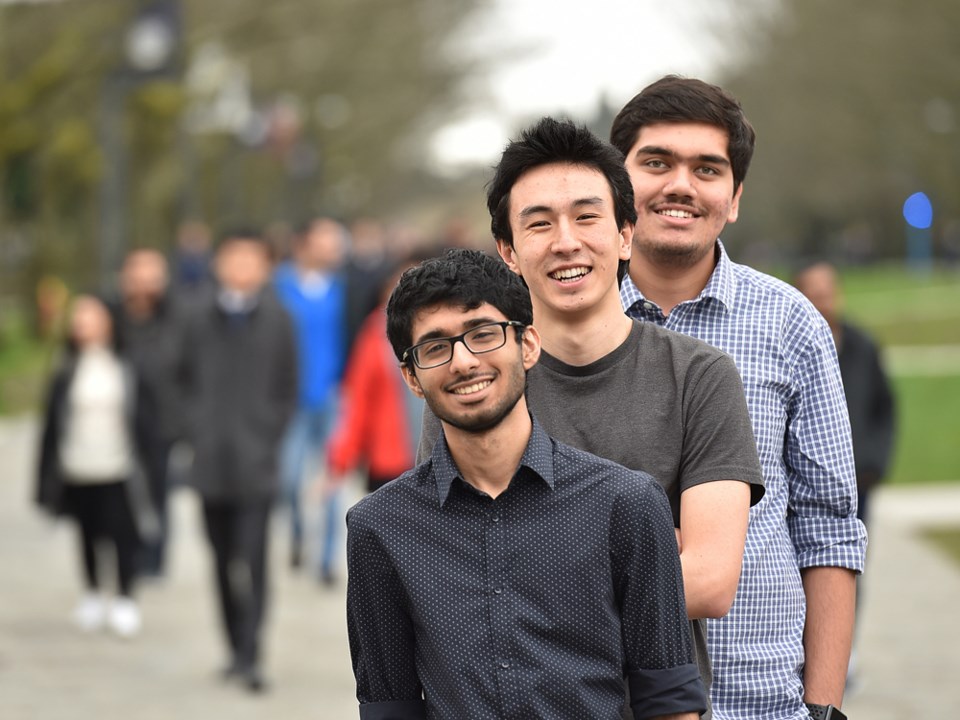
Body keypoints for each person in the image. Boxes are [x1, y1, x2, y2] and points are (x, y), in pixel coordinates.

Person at [420, 117, 764, 718]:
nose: (565, 242)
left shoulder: (699, 377)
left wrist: (521, 571)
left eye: (586, 217)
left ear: (625, 234)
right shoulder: (470, 380)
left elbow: (709, 581)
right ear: (508, 252)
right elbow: (449, 579)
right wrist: (645, 556)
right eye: (539, 224)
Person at [348, 248, 707, 719]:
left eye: (483, 334)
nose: (462, 362)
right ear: (412, 378)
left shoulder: (627, 504)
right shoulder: (380, 527)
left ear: (528, 345)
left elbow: (669, 700)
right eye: (435, 347)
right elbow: (388, 709)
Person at [609, 76, 868, 719]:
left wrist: (823, 707)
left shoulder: (792, 324)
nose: (680, 185)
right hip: (603, 695)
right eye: (657, 162)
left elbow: (829, 527)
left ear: (735, 197)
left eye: (707, 169)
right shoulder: (559, 328)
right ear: (616, 183)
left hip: (757, 699)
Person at [181, 229, 298, 693]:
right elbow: (177, 377)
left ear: (265, 267)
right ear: (218, 263)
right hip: (209, 461)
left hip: (256, 463)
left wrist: (268, 432)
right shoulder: (195, 317)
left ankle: (252, 654)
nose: (242, 267)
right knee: (219, 559)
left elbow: (288, 387)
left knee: (252, 561)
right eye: (234, 258)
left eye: (252, 259)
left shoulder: (278, 319)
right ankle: (231, 647)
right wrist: (193, 427)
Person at [36, 293, 159, 638]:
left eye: (91, 315)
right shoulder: (66, 367)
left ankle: (124, 598)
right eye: (79, 316)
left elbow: (148, 422)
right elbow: (51, 426)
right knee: (87, 534)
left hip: (119, 466)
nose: (83, 322)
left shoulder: (127, 366)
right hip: (77, 466)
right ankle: (91, 593)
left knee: (123, 536)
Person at [793, 261, 896, 527]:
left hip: (856, 477)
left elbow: (884, 406)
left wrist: (874, 461)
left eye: (827, 294)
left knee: (853, 559)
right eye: (814, 296)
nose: (823, 303)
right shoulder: (785, 348)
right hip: (801, 483)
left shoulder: (863, 345)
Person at [273, 217, 347, 579]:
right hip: (292, 401)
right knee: (288, 479)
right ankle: (299, 533)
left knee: (332, 479)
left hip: (332, 398)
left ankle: (327, 559)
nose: (335, 247)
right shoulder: (279, 285)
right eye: (327, 240)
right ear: (305, 243)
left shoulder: (343, 288)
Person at [326, 253, 429, 495]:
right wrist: (341, 460)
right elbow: (359, 399)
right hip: (390, 462)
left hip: (438, 458)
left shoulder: (452, 334)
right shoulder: (374, 333)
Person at [112, 248, 187, 577]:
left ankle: (154, 556)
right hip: (118, 419)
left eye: (151, 275)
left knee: (158, 490)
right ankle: (124, 550)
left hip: (162, 421)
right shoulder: (113, 316)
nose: (144, 283)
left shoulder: (177, 316)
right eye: (137, 274)